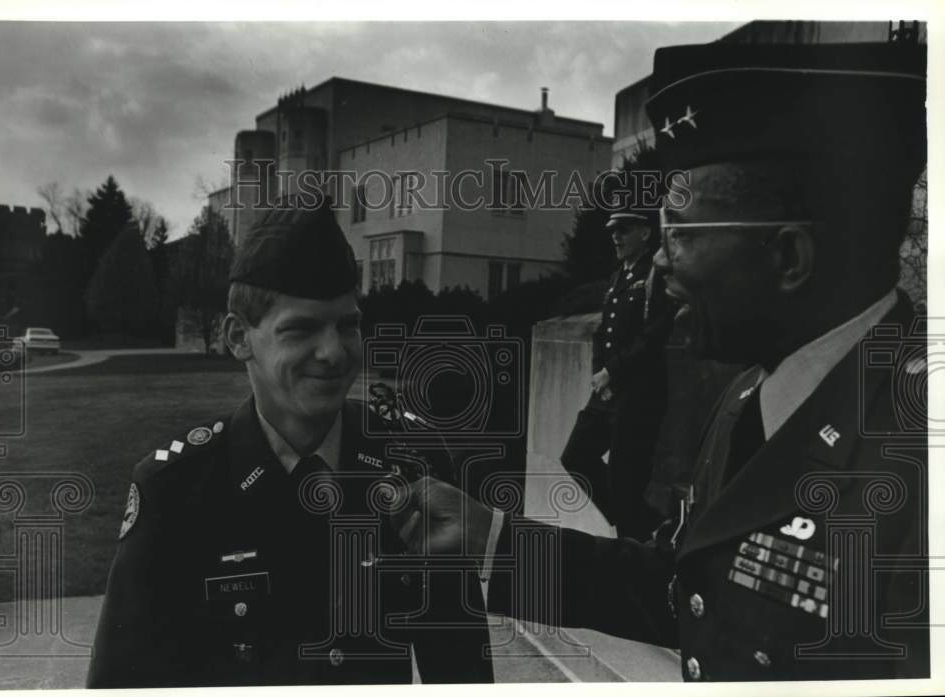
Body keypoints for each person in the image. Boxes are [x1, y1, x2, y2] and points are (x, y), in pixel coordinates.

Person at [393, 40, 929, 681]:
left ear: (789, 257)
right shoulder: (748, 400)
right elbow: (684, 589)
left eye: (681, 233)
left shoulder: (919, 449)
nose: (663, 262)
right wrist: (493, 541)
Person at [87, 204, 494, 687]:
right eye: (301, 329)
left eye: (347, 325)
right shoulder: (175, 491)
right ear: (239, 337)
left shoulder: (411, 465)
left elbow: (461, 667)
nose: (335, 352)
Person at [560, 208, 674, 539]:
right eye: (613, 231)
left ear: (645, 233)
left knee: (625, 479)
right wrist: (600, 374)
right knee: (575, 458)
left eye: (624, 230)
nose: (616, 237)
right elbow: (601, 332)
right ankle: (647, 525)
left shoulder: (655, 274)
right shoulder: (621, 276)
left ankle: (635, 539)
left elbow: (656, 331)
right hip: (608, 393)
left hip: (639, 394)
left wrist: (613, 371)